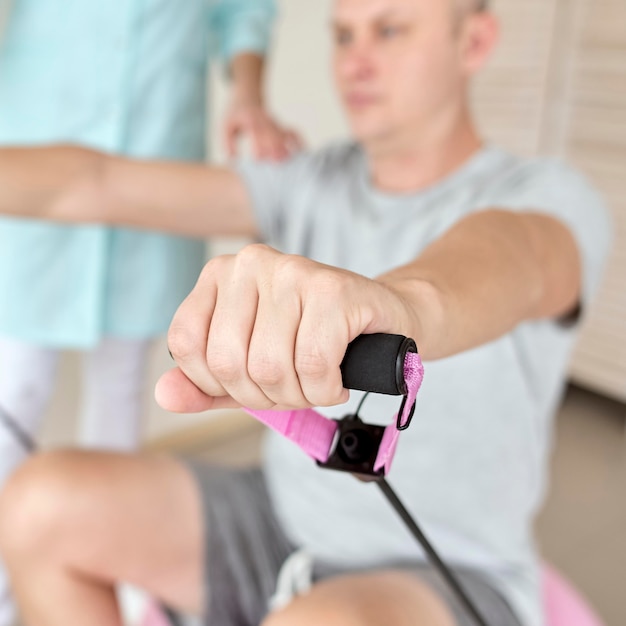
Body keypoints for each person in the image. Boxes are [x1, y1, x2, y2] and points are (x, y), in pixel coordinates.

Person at [0, 0, 612, 625]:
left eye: (391, 29)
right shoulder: (308, 182)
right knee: (37, 502)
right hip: (278, 520)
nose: (357, 61)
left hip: (442, 569)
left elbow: (519, 257)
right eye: (343, 35)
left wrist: (403, 305)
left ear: (474, 42)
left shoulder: (546, 194)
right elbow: (94, 182)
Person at [0, 1, 297, 623]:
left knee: (123, 387)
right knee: (15, 388)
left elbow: (245, 10)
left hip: (156, 147)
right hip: (39, 140)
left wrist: (248, 93)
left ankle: (114, 587)